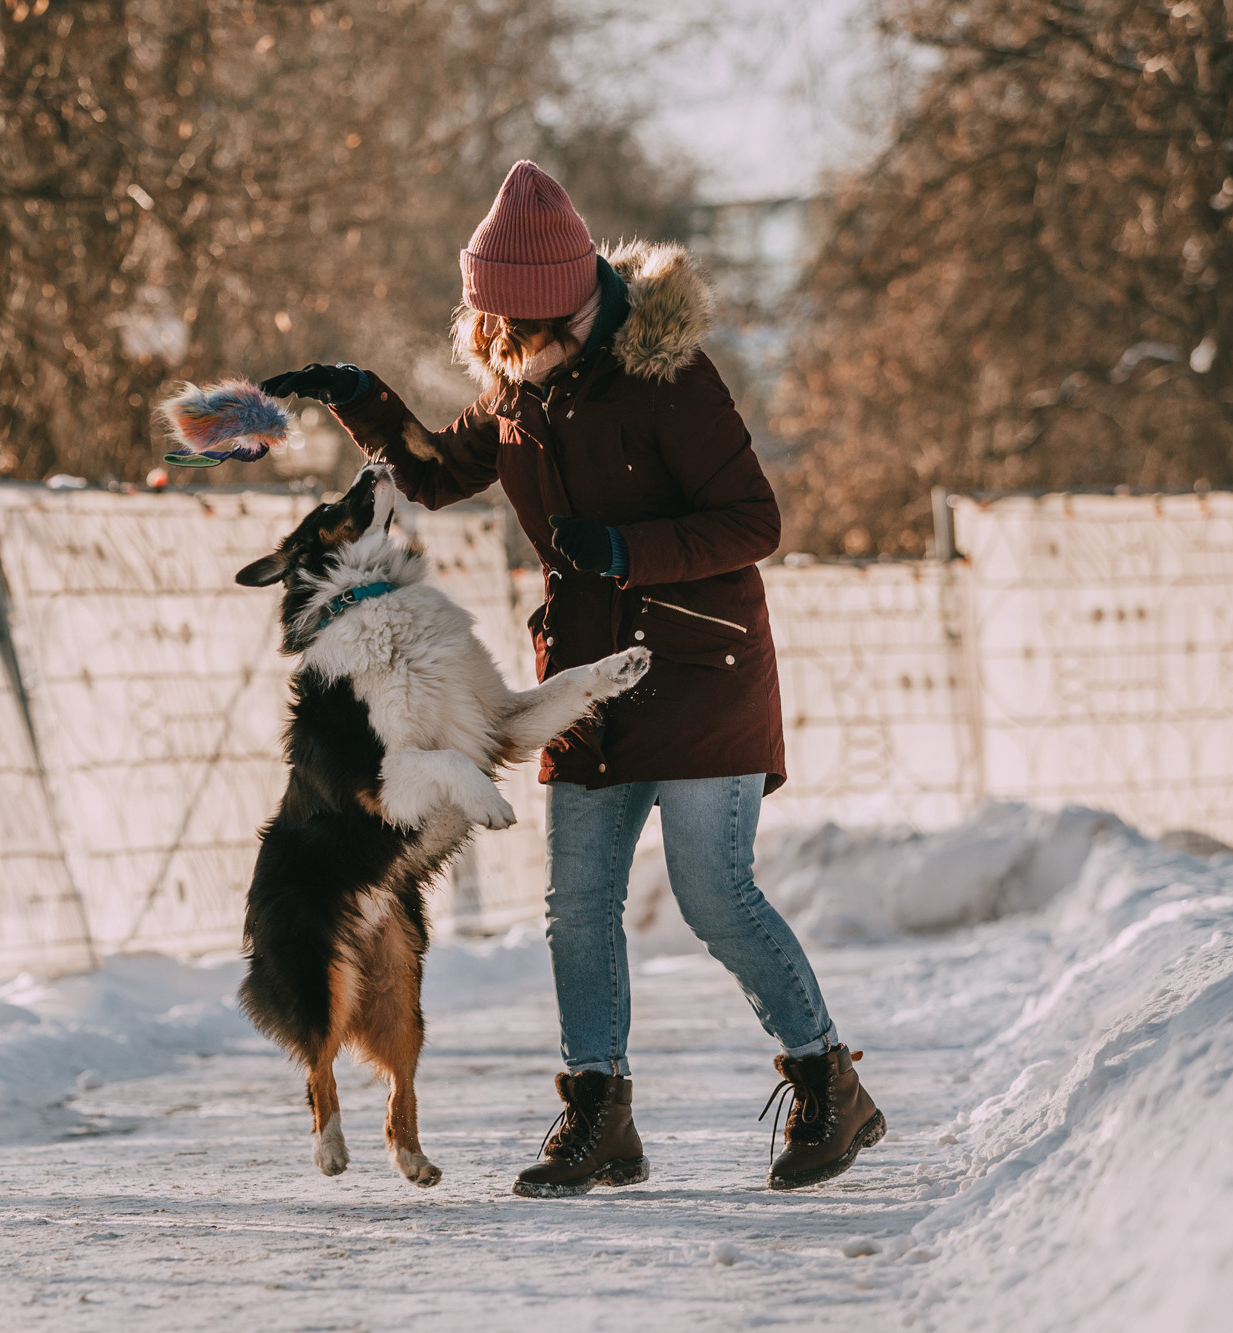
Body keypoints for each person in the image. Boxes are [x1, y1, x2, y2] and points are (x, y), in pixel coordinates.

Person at [260, 161, 882, 1197]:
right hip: (586, 683)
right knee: (575, 907)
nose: (510, 351)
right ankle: (598, 1114)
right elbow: (427, 471)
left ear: (575, 306)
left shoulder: (669, 379)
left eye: (525, 330)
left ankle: (827, 1083)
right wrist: (357, 398)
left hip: (698, 671)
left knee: (712, 893)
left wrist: (622, 549)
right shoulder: (515, 391)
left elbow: (752, 523)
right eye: (495, 331)